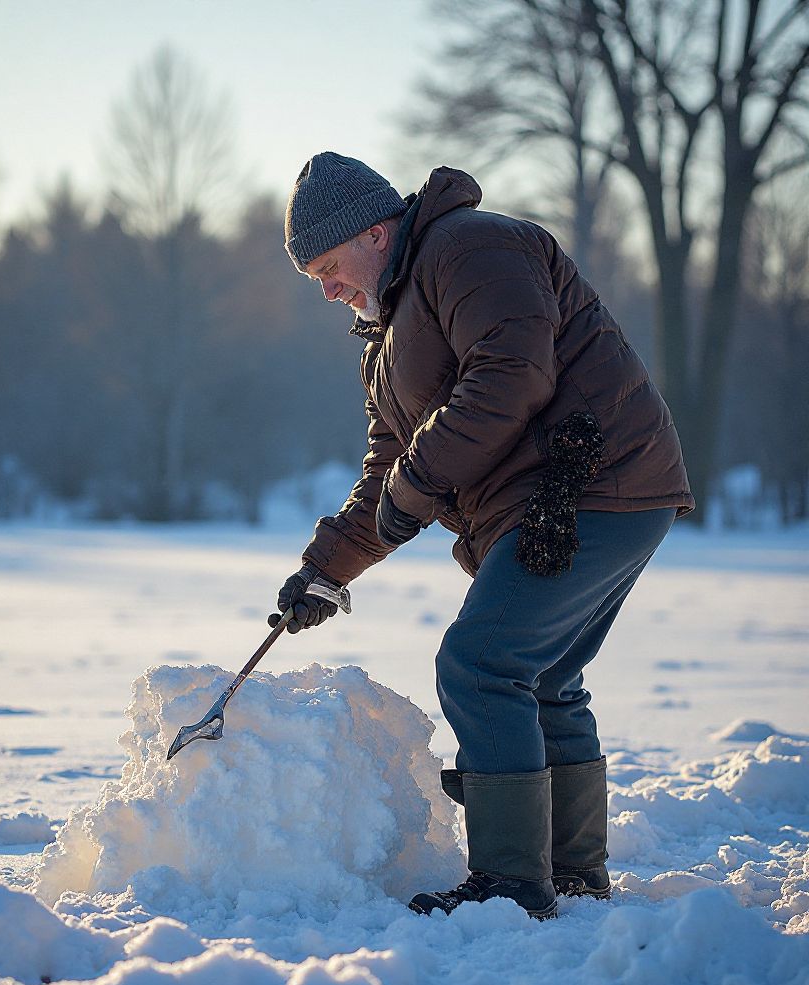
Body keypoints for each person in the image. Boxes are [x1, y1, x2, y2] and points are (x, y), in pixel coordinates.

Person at [271, 152, 694, 921]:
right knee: (543, 678)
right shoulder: (388, 327)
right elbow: (390, 461)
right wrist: (328, 567)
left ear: (374, 232)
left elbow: (511, 373)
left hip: (594, 483)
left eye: (329, 267)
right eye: (316, 281)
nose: (328, 289)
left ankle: (508, 884)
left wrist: (418, 483)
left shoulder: (471, 247)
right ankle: (570, 877)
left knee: (482, 664)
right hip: (560, 501)